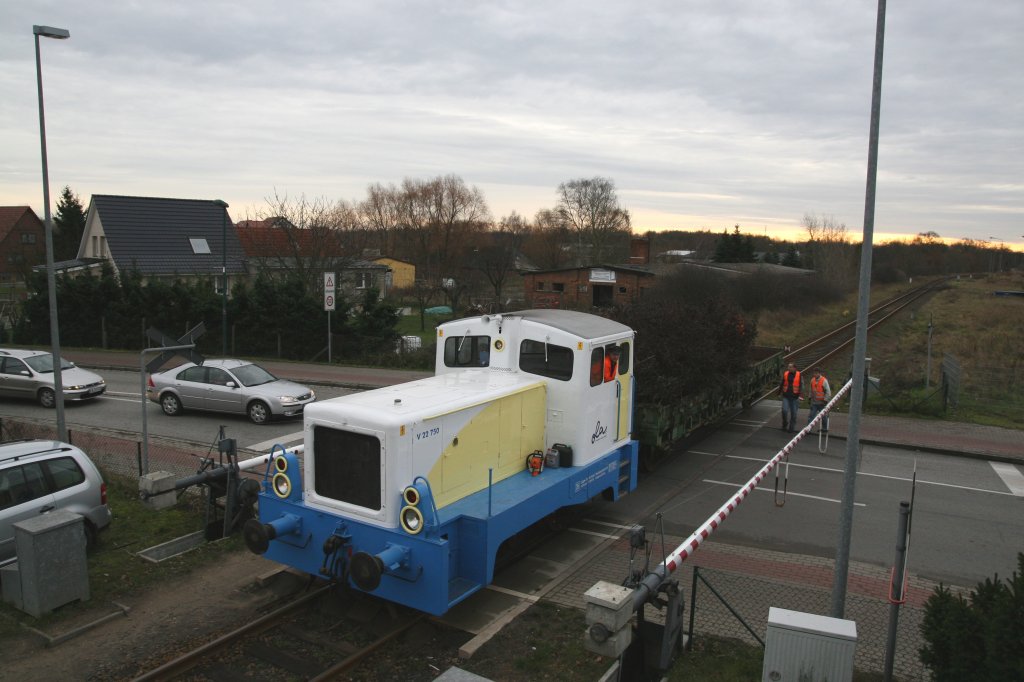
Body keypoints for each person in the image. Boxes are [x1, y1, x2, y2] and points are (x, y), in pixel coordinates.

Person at [779, 362, 802, 432]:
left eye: (790, 367)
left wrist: (799, 395)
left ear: (794, 368)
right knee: (784, 410)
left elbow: (801, 385)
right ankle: (785, 423)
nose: (788, 368)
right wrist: (779, 392)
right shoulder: (786, 373)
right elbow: (782, 383)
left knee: (794, 414)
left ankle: (791, 428)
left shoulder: (799, 375)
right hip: (786, 396)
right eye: (788, 367)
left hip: (794, 397)